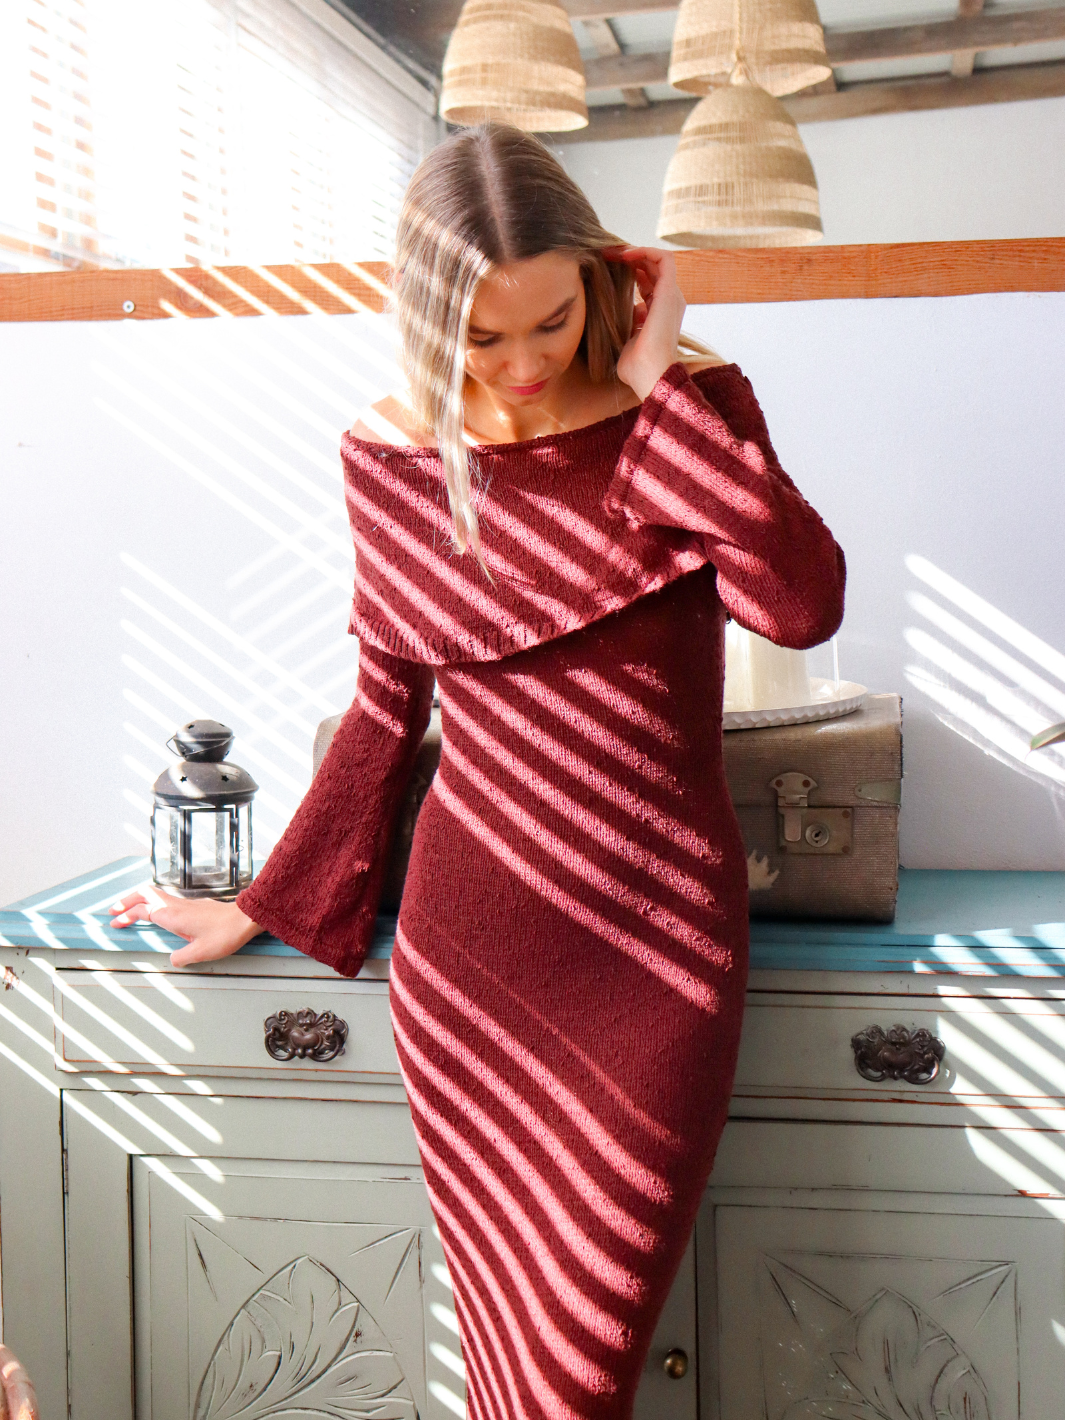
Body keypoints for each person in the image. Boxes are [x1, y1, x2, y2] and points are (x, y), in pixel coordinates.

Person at [111, 123, 845, 1420]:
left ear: (604, 282)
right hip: (475, 966)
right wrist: (264, 901)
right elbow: (386, 714)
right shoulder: (393, 456)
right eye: (480, 336)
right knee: (519, 1379)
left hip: (658, 952)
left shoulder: (690, 408)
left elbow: (800, 605)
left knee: (581, 1373)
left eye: (551, 321)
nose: (519, 364)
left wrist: (660, 385)